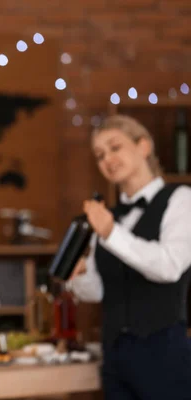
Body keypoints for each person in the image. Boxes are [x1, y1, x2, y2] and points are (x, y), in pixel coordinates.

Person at [69, 115, 191, 399]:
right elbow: (98, 291)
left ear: (143, 147)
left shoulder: (182, 200)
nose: (107, 159)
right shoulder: (107, 217)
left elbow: (170, 266)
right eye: (100, 155)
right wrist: (81, 272)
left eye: (115, 147)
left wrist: (112, 232)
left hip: (165, 354)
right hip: (114, 356)